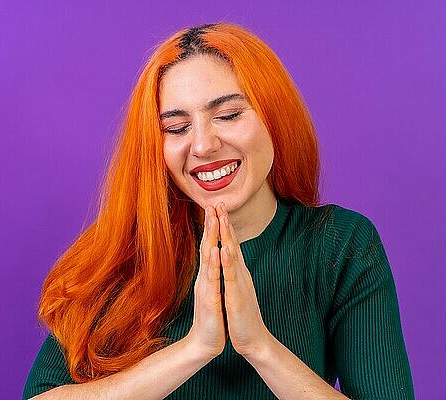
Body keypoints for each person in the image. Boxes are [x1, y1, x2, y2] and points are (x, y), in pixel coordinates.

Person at [22, 22, 415, 400]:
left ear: (275, 119)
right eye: (176, 128)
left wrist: (259, 346)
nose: (204, 145)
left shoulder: (340, 244)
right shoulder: (122, 248)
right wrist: (196, 347)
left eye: (228, 115)